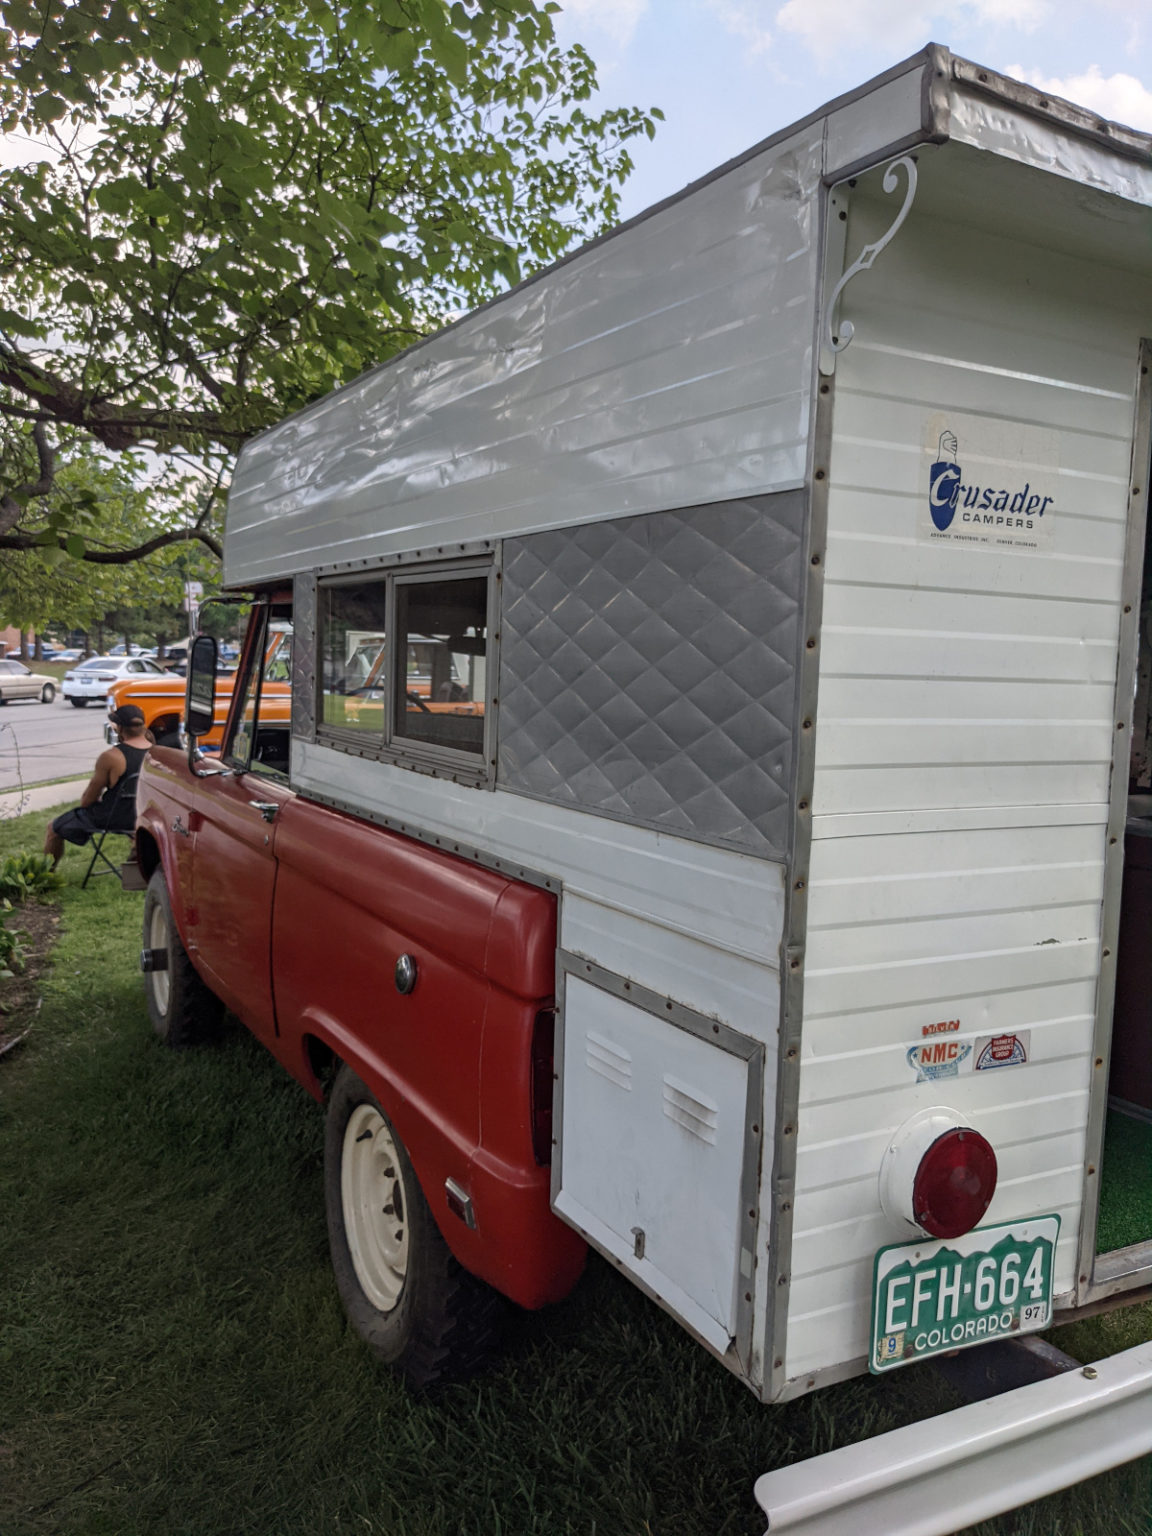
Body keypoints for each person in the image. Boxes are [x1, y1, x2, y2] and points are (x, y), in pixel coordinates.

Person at [44, 704, 152, 868]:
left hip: (115, 818)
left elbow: (87, 801)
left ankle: (46, 874)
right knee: (134, 828)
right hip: (146, 816)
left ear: (120, 728)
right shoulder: (159, 753)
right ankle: (138, 861)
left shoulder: (111, 757)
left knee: (54, 828)